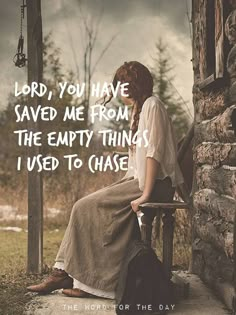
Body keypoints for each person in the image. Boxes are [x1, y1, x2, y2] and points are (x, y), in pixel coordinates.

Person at [27, 61, 184, 298]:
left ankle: (68, 276)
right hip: (141, 181)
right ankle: (81, 280)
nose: (120, 90)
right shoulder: (139, 109)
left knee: (83, 207)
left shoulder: (152, 106)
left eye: (124, 85)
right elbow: (139, 160)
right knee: (90, 208)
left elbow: (154, 154)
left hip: (156, 184)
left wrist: (145, 195)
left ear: (135, 87)